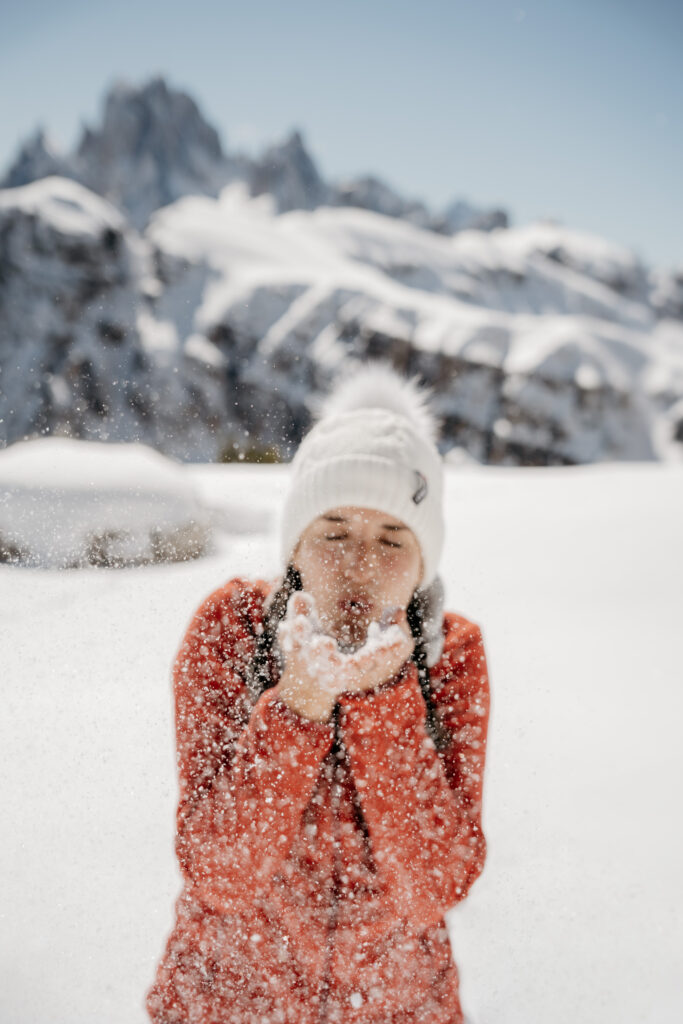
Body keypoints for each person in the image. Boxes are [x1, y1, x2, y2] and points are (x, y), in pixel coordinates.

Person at [145, 361, 491, 1024]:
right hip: (223, 1006)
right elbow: (220, 872)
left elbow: (434, 885)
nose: (360, 563)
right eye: (333, 533)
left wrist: (384, 701)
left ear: (423, 564)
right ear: (295, 545)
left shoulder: (451, 657)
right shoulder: (230, 632)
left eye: (393, 538)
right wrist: (299, 705)